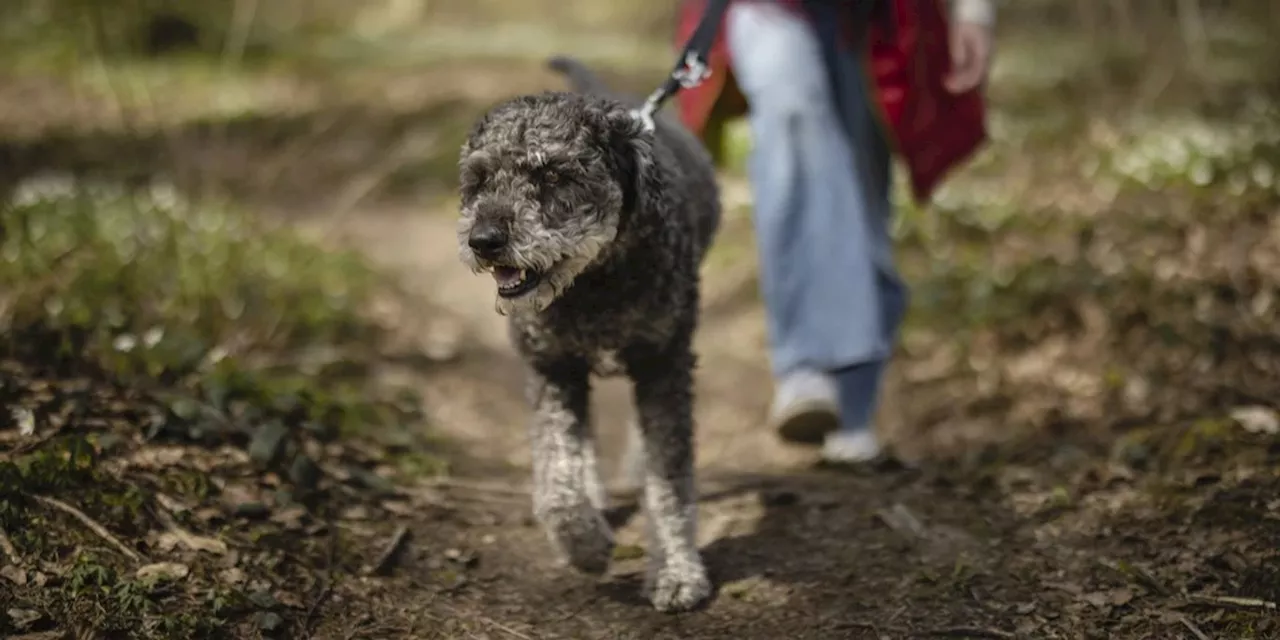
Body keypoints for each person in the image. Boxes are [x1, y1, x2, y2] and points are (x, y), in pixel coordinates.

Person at [674, 0, 996, 463]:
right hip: (767, 10)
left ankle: (852, 404)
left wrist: (974, 12)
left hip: (876, 18)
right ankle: (805, 365)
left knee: (861, 190)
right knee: (793, 120)